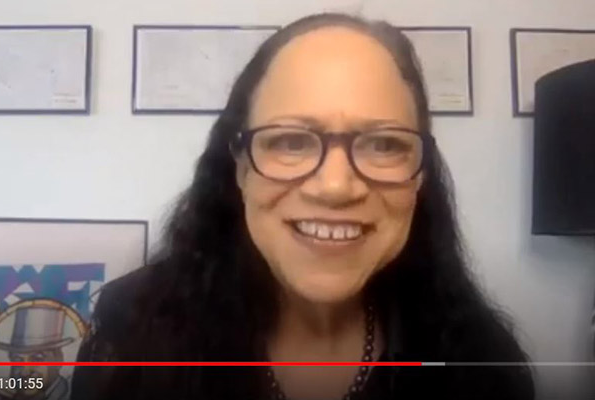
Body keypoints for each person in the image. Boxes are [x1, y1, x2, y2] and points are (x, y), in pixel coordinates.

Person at [71, 13, 534, 400]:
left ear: (420, 175)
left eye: (384, 144)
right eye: (291, 141)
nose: (335, 187)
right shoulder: (132, 332)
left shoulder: (483, 366)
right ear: (239, 169)